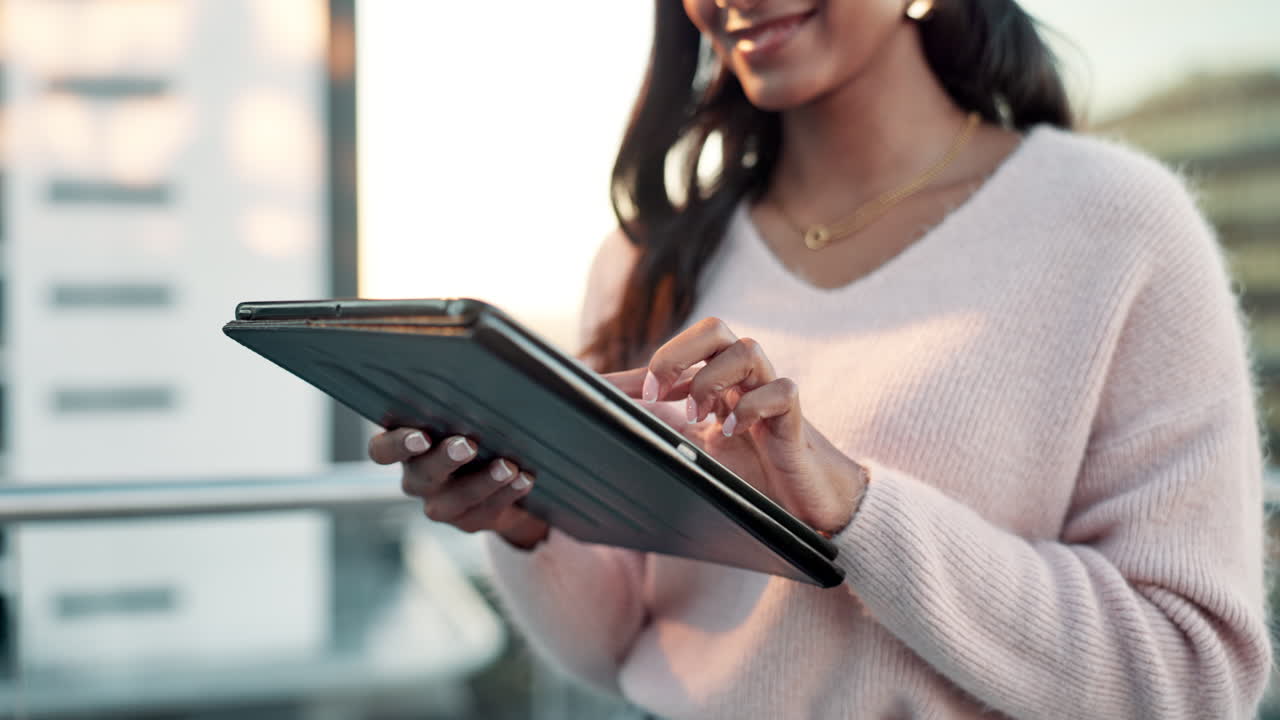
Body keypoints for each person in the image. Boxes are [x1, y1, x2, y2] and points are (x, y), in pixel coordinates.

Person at [368, 0, 1272, 717]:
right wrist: (526, 524)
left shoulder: (1118, 225)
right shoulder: (647, 261)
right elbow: (620, 648)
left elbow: (1193, 675)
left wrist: (850, 506)